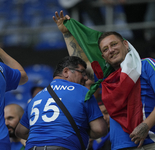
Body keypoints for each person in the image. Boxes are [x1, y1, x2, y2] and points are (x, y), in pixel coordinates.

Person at [53, 10, 155, 150]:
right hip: (119, 146)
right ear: (103, 56)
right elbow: (78, 64)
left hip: (150, 141)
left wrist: (146, 125)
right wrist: (67, 33)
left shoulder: (147, 65)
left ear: (125, 44)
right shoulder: (106, 78)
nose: (111, 50)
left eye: (114, 44)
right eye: (105, 49)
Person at [15, 56, 108, 150]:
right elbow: (99, 129)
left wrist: (42, 139)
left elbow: (20, 131)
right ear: (66, 71)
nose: (86, 77)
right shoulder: (83, 91)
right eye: (82, 72)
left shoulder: (37, 97)